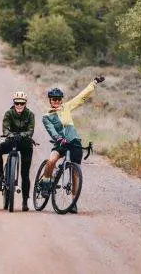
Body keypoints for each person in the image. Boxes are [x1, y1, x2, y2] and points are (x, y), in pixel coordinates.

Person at [39, 76, 106, 214]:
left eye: (58, 99)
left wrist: (93, 83)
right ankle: (45, 183)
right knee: (51, 160)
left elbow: (82, 97)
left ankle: (74, 201)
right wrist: (58, 138)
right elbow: (51, 130)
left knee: (75, 172)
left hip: (74, 142)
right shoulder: (46, 116)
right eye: (54, 99)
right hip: (60, 143)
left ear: (61, 100)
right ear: (50, 100)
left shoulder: (67, 107)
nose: (56, 101)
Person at [0, 91, 35, 211]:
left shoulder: (30, 114)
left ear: (25, 104)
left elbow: (30, 131)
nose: (19, 106)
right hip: (12, 140)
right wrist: (10, 134)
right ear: (14, 103)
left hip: (25, 142)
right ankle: (1, 174)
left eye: (22, 103)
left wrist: (22, 135)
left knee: (25, 173)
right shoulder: (9, 113)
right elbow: (5, 128)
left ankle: (25, 202)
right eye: (17, 103)